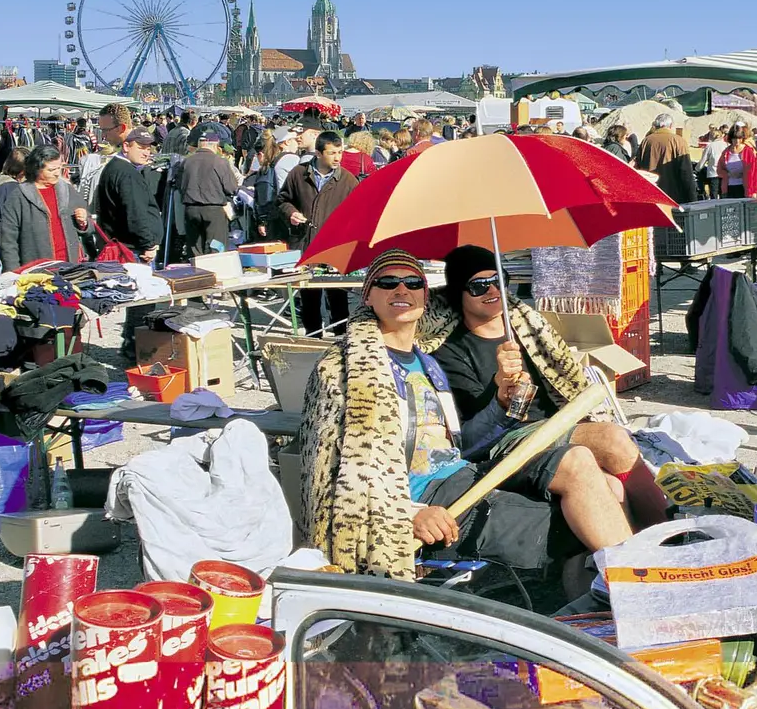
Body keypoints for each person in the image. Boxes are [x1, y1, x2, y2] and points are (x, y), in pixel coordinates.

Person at [300, 249, 634, 580]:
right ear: (368, 296)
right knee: (585, 525)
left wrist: (502, 404)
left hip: (463, 477)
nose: (401, 290)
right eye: (388, 282)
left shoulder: (427, 364)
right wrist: (409, 514)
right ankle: (634, 589)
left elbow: (462, 447)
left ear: (425, 296)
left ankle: (606, 606)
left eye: (413, 282)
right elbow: (328, 479)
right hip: (421, 504)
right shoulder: (344, 371)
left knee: (600, 490)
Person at [429, 245, 671, 529]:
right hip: (508, 439)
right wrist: (502, 390)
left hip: (555, 423)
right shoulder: (451, 350)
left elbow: (565, 377)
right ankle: (667, 531)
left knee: (612, 486)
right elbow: (474, 433)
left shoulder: (527, 326)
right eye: (478, 286)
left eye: (499, 280)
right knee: (612, 440)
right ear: (459, 292)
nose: (492, 291)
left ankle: (647, 545)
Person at [279, 130, 359, 336]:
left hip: (335, 249)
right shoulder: (298, 174)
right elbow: (282, 201)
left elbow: (358, 214)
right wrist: (292, 213)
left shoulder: (348, 180)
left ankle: (342, 339)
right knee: (309, 299)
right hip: (305, 245)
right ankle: (313, 339)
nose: (338, 158)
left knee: (338, 299)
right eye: (332, 153)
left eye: (340, 152)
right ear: (318, 153)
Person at [0, 145, 89, 271]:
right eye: (51, 170)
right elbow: (9, 240)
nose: (57, 173)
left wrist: (83, 222)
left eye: (59, 168)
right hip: (36, 271)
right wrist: (14, 273)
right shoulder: (19, 196)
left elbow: (87, 226)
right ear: (37, 169)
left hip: (70, 267)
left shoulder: (67, 190)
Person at [94, 126, 163, 263]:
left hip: (123, 246)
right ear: (126, 146)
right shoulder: (127, 173)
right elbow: (136, 213)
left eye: (148, 148)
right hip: (132, 250)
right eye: (141, 148)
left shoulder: (116, 167)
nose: (146, 153)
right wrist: (148, 244)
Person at [176, 122, 239, 256]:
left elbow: (180, 186)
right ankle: (215, 273)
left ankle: (198, 275)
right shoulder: (220, 162)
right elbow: (232, 188)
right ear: (216, 145)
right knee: (216, 247)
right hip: (214, 210)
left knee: (195, 249)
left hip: (191, 209)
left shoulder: (186, 162)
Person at [78, 102, 132, 212]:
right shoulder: (112, 155)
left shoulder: (137, 157)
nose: (102, 135)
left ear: (121, 128)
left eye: (105, 130)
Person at [634, 113, 698, 205]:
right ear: (671, 125)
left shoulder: (646, 141)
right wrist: (692, 198)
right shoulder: (678, 141)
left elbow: (639, 167)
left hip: (651, 194)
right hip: (673, 196)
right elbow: (686, 172)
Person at [717, 123, 757, 198]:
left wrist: (754, 191)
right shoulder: (726, 152)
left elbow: (754, 172)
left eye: (739, 138)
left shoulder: (748, 151)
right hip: (729, 187)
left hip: (745, 188)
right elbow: (719, 169)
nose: (737, 141)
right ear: (731, 138)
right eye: (735, 138)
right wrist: (728, 174)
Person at [695, 125, 727, 200]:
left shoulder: (710, 146)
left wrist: (697, 169)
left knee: (714, 195)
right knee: (724, 195)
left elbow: (703, 160)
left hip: (713, 173)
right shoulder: (726, 145)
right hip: (725, 174)